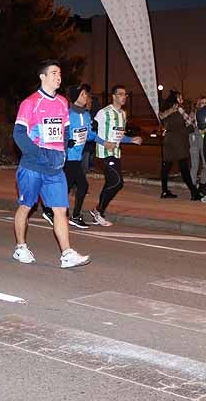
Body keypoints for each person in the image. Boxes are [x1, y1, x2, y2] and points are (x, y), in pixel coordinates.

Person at [12, 61, 90, 268]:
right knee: (26, 207)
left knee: (60, 210)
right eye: (54, 73)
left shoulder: (63, 102)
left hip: (55, 169)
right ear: (42, 77)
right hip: (32, 167)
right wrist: (38, 154)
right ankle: (20, 247)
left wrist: (62, 152)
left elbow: (64, 131)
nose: (58, 77)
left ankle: (67, 253)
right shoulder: (30, 103)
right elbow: (19, 134)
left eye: (60, 73)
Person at [42, 84, 94, 228]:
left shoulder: (86, 115)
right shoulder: (68, 114)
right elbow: (58, 131)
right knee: (79, 186)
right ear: (76, 96)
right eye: (83, 94)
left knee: (68, 187)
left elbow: (88, 135)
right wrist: (66, 141)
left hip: (78, 157)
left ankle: (50, 210)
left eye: (86, 95)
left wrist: (99, 136)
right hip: (68, 157)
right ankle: (70, 215)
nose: (86, 97)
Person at [90, 85, 142, 226]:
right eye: (120, 94)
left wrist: (132, 139)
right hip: (104, 153)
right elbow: (90, 133)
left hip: (116, 153)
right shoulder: (103, 113)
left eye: (125, 94)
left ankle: (98, 211)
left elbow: (119, 135)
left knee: (112, 183)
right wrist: (104, 142)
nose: (124, 97)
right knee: (117, 182)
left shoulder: (123, 114)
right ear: (113, 96)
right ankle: (98, 210)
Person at [159, 91, 200, 200]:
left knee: (166, 167)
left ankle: (164, 191)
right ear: (176, 99)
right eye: (180, 97)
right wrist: (191, 126)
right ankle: (194, 192)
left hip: (169, 141)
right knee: (184, 167)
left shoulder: (167, 111)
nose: (182, 98)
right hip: (178, 141)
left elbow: (164, 119)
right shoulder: (177, 111)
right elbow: (183, 127)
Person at [189, 96, 206, 193]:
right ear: (198, 104)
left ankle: (202, 185)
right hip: (194, 138)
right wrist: (194, 123)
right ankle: (192, 187)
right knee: (195, 164)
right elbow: (188, 124)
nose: (204, 104)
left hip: (205, 139)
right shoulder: (194, 113)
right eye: (202, 102)